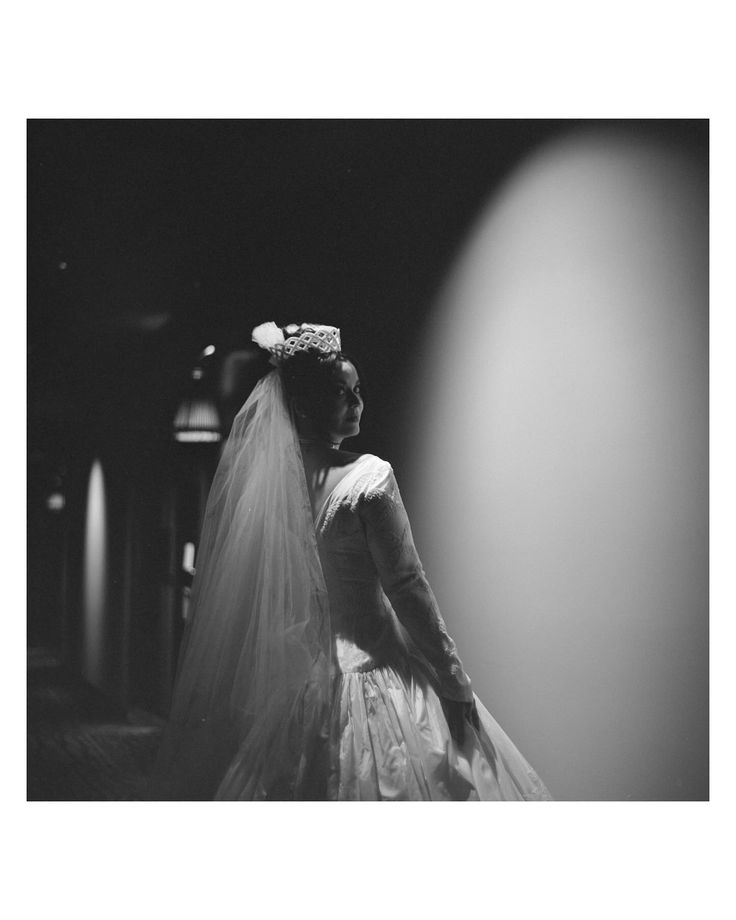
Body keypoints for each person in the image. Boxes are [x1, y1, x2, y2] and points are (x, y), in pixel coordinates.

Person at [150, 322, 552, 800]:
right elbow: (407, 587)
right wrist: (453, 679)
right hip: (379, 673)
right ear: (305, 405)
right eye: (341, 393)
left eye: (357, 390)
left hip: (305, 690)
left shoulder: (275, 489)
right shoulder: (369, 477)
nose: (356, 401)